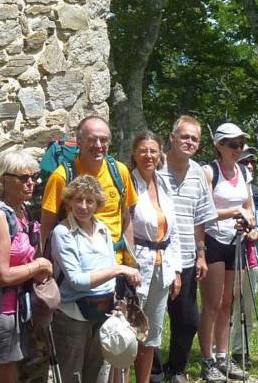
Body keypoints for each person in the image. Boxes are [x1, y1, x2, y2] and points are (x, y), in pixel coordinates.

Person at [50, 175, 142, 383]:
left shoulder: (102, 229)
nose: (83, 206)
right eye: (78, 200)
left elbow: (108, 269)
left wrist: (117, 299)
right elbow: (77, 281)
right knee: (71, 377)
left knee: (98, 375)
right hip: (73, 316)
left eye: (89, 201)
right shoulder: (63, 232)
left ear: (97, 204)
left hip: (103, 313)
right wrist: (119, 269)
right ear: (69, 201)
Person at [0, 150, 54, 383]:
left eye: (33, 177)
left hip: (19, 309)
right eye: (23, 178)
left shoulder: (22, 212)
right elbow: (3, 275)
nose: (31, 183)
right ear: (4, 180)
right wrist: (38, 266)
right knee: (3, 378)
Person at [152, 115, 215, 383]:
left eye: (194, 139)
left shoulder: (198, 172)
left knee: (188, 320)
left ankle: (176, 369)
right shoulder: (155, 166)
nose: (189, 142)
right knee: (152, 318)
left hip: (188, 256)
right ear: (172, 137)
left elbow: (200, 218)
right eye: (185, 136)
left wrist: (201, 254)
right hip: (157, 256)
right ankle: (153, 371)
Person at [199, 123, 255, 382]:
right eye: (232, 144)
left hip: (236, 241)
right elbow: (203, 212)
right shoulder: (209, 172)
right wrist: (235, 212)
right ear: (219, 145)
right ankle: (207, 359)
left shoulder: (243, 171)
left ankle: (223, 356)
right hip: (213, 240)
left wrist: (248, 220)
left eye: (240, 144)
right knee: (211, 304)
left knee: (228, 302)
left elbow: (249, 205)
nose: (238, 149)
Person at [40, 114, 138, 260]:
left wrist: (130, 259)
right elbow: (46, 226)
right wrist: (45, 262)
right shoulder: (61, 176)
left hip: (116, 262)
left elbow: (126, 218)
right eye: (92, 140)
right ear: (79, 142)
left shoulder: (119, 171)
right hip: (78, 264)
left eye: (103, 140)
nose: (98, 145)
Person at [129, 131, 184, 383]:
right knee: (129, 333)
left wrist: (176, 270)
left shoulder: (163, 183)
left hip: (162, 268)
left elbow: (173, 231)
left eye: (153, 151)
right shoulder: (128, 183)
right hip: (137, 266)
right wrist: (127, 266)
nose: (148, 156)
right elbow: (123, 228)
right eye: (143, 151)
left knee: (151, 334)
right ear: (134, 154)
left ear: (160, 154)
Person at [230, 146, 258, 372]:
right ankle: (217, 352)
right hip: (225, 256)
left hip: (251, 257)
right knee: (224, 305)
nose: (250, 166)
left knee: (246, 306)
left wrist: (257, 233)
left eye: (252, 162)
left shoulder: (255, 192)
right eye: (245, 162)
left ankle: (240, 350)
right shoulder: (221, 188)